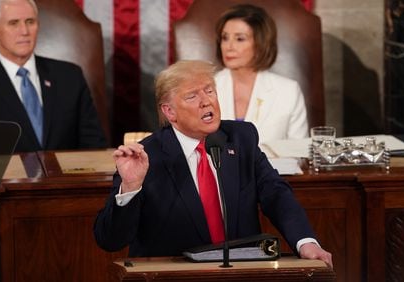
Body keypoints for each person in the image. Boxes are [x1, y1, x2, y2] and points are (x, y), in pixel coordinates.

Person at [94, 60, 333, 267]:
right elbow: (110, 240)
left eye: (209, 91)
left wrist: (305, 242)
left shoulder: (241, 138)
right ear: (170, 112)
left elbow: (276, 194)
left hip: (240, 275)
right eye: (192, 96)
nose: (206, 101)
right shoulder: (147, 157)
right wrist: (131, 187)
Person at [0, 0, 107, 152]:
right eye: (13, 23)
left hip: (68, 180)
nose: (24, 31)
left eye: (30, 21)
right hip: (5, 180)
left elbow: (94, 145)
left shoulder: (70, 77)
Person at [214, 4, 308, 144]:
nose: (229, 46)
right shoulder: (206, 88)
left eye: (240, 39)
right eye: (225, 38)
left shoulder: (288, 91)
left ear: (260, 44)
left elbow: (300, 152)